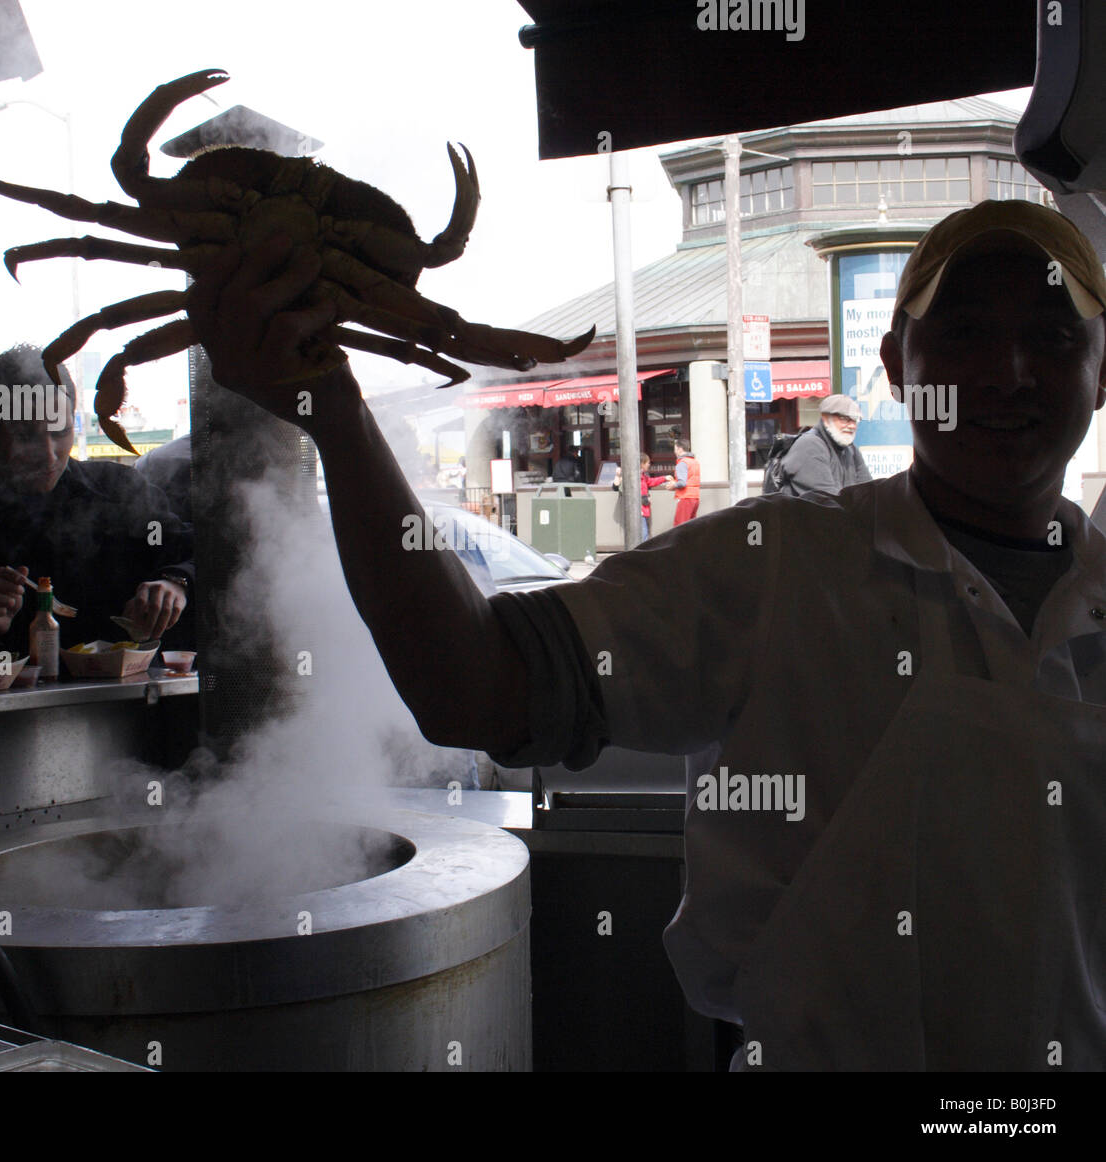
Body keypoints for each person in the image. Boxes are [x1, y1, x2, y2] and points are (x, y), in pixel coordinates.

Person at [184, 200, 1106, 1070]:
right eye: (964, 332)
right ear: (899, 362)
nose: (1007, 369)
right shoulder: (777, 566)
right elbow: (479, 686)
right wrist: (334, 416)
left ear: (1104, 369)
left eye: (1053, 337)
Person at [0, 345, 194, 658]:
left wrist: (177, 582)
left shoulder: (121, 492)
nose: (49, 455)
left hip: (121, 703)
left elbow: (189, 550)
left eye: (60, 432)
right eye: (26, 436)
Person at [772, 393, 873, 498]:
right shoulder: (809, 445)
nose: (852, 425)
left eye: (855, 420)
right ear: (825, 417)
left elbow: (868, 492)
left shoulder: (851, 450)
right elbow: (829, 500)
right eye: (844, 419)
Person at [612, 452, 671, 541]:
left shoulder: (643, 476)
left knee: (643, 533)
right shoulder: (631, 475)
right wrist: (617, 475)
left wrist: (664, 478)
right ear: (642, 464)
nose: (649, 464)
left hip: (643, 509)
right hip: (638, 510)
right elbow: (616, 487)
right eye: (647, 462)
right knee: (643, 534)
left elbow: (650, 481)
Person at [670, 438, 700, 525]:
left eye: (675, 449)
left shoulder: (682, 463)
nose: (674, 452)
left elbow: (682, 483)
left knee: (680, 526)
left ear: (680, 449)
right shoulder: (694, 462)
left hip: (685, 498)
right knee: (691, 526)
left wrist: (673, 485)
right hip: (695, 497)